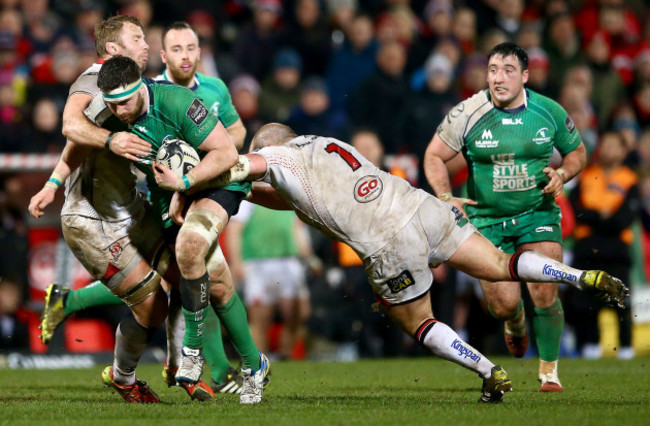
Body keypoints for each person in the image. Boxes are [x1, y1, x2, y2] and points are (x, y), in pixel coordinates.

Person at [157, 123, 628, 403]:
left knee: (418, 322)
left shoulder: (276, 155)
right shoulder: (325, 145)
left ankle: (490, 371)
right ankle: (576, 275)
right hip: (421, 207)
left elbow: (244, 168)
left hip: (387, 242)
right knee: (503, 264)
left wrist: (188, 181)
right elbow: (286, 198)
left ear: (270, 145)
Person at [36, 20, 251, 395]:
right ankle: (125, 379)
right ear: (114, 51)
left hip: (133, 207)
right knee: (153, 305)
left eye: (191, 47)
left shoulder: (165, 89)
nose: (146, 45)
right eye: (137, 38)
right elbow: (73, 127)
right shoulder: (95, 83)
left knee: (192, 270)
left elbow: (232, 135)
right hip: (93, 219)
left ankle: (187, 367)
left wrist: (190, 172)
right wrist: (64, 175)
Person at [93, 55, 268, 405]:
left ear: (141, 85)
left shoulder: (177, 101)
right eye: (113, 105)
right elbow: (74, 131)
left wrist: (185, 183)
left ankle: (192, 352)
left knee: (189, 246)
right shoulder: (111, 120)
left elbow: (226, 152)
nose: (121, 111)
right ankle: (254, 364)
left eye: (125, 101)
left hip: (216, 180)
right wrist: (54, 182)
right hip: (171, 192)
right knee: (217, 284)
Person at [423, 42, 588, 392]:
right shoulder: (467, 112)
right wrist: (445, 196)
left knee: (544, 290)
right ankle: (514, 321)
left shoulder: (549, 111)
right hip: (486, 221)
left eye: (508, 71)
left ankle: (549, 372)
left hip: (536, 213)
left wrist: (563, 174)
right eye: (493, 70)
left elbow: (577, 152)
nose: (499, 78)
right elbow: (433, 156)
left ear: (525, 76)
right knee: (503, 305)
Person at [568, 131, 638, 359]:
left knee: (620, 301)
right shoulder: (588, 176)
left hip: (616, 251)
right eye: (604, 144)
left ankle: (626, 348)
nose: (606, 149)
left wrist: (594, 217)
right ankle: (589, 347)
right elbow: (575, 212)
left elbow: (624, 219)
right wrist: (603, 216)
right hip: (588, 249)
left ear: (622, 151)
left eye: (612, 145)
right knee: (586, 303)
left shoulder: (629, 180)